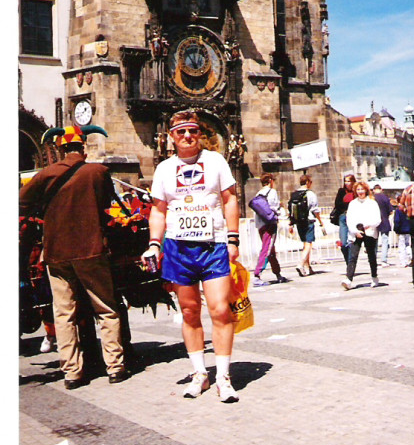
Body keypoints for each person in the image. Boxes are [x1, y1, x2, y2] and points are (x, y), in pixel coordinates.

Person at [19, 125, 128, 389]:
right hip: (91, 249)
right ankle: (115, 367)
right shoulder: (98, 172)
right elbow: (106, 204)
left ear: (60, 148)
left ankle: (72, 373)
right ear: (83, 146)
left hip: (56, 253)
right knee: (105, 308)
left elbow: (21, 203)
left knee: (64, 313)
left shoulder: (46, 174)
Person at [143, 110, 240, 402]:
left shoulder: (215, 161)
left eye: (192, 131)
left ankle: (223, 376)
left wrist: (233, 238)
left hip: (213, 246)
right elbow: (158, 210)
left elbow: (230, 199)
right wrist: (154, 244)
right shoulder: (163, 169)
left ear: (200, 134)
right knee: (188, 311)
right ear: (171, 137)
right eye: (181, 132)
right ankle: (201, 374)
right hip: (178, 248)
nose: (187, 136)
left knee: (220, 309)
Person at [342, 181, 381, 290]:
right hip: (356, 232)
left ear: (366, 190)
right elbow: (349, 219)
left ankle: (374, 277)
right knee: (353, 256)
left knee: (371, 256)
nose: (360, 192)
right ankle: (349, 279)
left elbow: (377, 219)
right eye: (358, 190)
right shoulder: (353, 204)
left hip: (369, 231)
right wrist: (354, 231)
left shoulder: (372, 203)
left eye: (362, 189)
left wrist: (369, 225)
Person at [252, 173, 287, 285]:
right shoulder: (272, 192)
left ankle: (277, 273)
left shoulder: (259, 193)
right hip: (269, 224)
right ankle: (257, 275)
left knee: (270, 249)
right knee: (267, 249)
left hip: (260, 224)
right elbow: (274, 207)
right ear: (271, 181)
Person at [288, 174, 326, 277]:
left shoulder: (294, 194)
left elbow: (291, 210)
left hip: (299, 222)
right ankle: (300, 264)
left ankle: (308, 267)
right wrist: (320, 221)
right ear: (308, 182)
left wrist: (291, 223)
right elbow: (315, 210)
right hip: (308, 220)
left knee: (305, 244)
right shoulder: (310, 194)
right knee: (309, 244)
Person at [332, 174, 356, 263]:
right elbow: (338, 204)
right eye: (345, 181)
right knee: (343, 243)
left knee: (352, 243)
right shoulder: (341, 191)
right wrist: (350, 205)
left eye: (349, 181)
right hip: (343, 217)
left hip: (354, 218)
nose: (347, 183)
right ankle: (349, 262)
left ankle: (351, 264)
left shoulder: (357, 191)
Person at [373, 184, 393, 266]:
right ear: (381, 189)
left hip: (374, 221)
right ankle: (384, 259)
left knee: (374, 241)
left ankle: (373, 259)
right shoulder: (385, 198)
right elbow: (390, 211)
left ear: (374, 190)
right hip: (384, 220)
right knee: (385, 240)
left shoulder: (372, 198)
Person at [393, 196, 412, 267]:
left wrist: (396, 229)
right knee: (408, 245)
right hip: (409, 229)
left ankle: (403, 262)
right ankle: (411, 257)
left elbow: (397, 221)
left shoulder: (398, 210)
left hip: (401, 230)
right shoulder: (408, 209)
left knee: (401, 246)